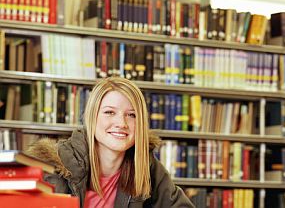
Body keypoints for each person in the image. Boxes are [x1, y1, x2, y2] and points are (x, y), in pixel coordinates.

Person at [27, 77, 195, 208]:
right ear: (92, 118)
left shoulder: (145, 166)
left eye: (131, 115)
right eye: (109, 112)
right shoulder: (53, 165)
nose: (121, 123)